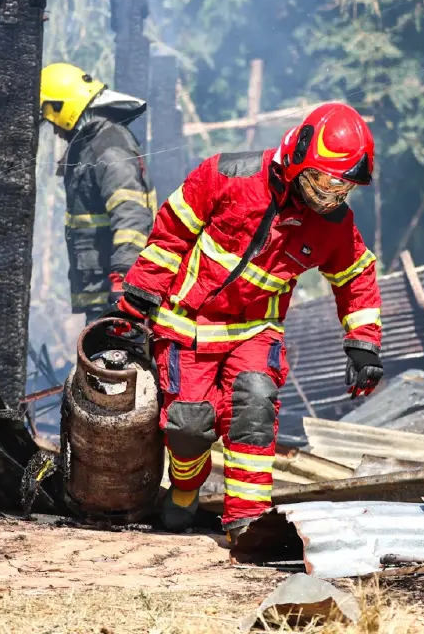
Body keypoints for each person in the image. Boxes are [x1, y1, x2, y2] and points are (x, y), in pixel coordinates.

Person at [110, 102, 384, 541]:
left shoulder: (332, 224)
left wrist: (363, 343)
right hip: (186, 325)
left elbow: (356, 276)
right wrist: (137, 300)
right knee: (188, 426)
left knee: (254, 410)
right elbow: (169, 236)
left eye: (343, 189)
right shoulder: (225, 175)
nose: (331, 197)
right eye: (326, 182)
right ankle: (184, 490)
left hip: (256, 332)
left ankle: (248, 524)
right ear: (298, 158)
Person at [38, 62, 157, 318]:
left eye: (52, 120)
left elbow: (132, 216)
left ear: (62, 109)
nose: (56, 131)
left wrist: (123, 276)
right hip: (102, 293)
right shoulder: (91, 145)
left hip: (114, 293)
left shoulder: (109, 148)